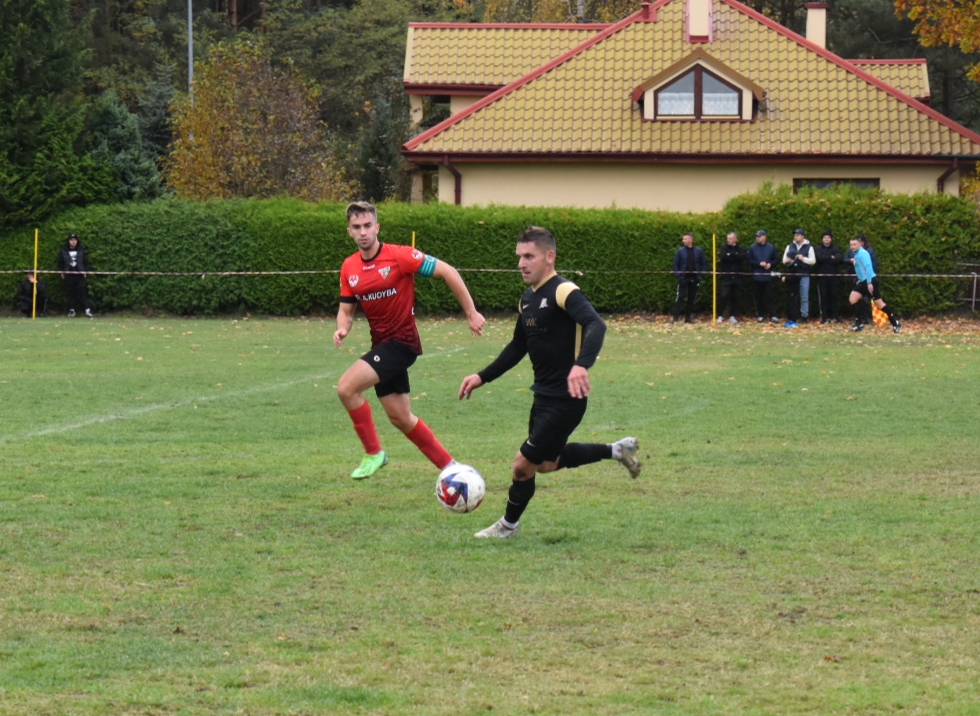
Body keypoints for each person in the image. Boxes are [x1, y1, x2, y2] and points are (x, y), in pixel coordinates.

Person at [458, 226, 641, 539]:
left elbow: (595, 324)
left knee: (521, 466)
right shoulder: (527, 299)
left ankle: (507, 526)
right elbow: (518, 346)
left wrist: (581, 365)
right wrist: (481, 376)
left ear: (549, 257)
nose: (521, 263)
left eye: (529, 256)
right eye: (519, 257)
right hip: (542, 396)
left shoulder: (563, 291)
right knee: (544, 464)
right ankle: (616, 450)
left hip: (567, 399)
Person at [335, 201, 486, 479]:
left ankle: (373, 453)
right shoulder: (349, 267)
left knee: (346, 388)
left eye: (368, 225)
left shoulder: (400, 256)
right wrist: (342, 328)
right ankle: (451, 468)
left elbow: (448, 271)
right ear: (349, 232)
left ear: (377, 227)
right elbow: (346, 310)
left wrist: (471, 312)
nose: (363, 232)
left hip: (402, 343)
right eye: (357, 227)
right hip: (381, 345)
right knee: (401, 417)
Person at [847, 235, 901, 333]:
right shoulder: (857, 254)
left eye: (854, 244)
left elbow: (868, 267)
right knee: (853, 299)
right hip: (863, 281)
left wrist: (869, 282)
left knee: (879, 304)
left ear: (860, 244)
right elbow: (860, 269)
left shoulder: (863, 254)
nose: (852, 246)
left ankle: (895, 322)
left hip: (870, 281)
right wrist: (860, 279)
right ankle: (858, 324)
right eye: (851, 245)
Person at [670, 233, 708, 323]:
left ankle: (688, 318)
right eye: (683, 239)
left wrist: (700, 275)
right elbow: (675, 264)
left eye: (685, 239)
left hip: (695, 278)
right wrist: (679, 275)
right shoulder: (680, 251)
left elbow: (704, 263)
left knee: (691, 298)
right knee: (680, 297)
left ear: (691, 240)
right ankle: (675, 318)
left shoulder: (699, 251)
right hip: (683, 278)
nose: (683, 241)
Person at [781, 228, 815, 327]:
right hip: (792, 275)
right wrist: (791, 260)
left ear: (803, 236)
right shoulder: (789, 246)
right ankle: (792, 317)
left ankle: (804, 316)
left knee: (804, 296)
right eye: (795, 235)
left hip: (804, 274)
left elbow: (813, 261)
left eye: (798, 235)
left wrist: (803, 258)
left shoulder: (809, 247)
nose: (796, 236)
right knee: (792, 297)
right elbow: (784, 260)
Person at [57, 233, 95, 317]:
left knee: (82, 293)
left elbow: (85, 262)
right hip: (68, 275)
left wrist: (85, 271)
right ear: (69, 241)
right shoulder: (64, 250)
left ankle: (87, 310)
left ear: (77, 241)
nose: (73, 242)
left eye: (75, 240)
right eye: (71, 240)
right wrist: (61, 272)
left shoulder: (81, 249)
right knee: (70, 293)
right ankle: (72, 310)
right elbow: (60, 262)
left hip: (80, 275)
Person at [745, 229, 779, 323]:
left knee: (769, 296)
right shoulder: (752, 248)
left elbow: (776, 259)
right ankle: (760, 315)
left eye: (759, 236)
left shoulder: (771, 247)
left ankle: (772, 315)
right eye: (757, 236)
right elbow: (749, 260)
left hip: (768, 276)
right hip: (757, 276)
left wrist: (770, 264)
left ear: (764, 237)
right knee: (758, 297)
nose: (757, 238)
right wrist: (759, 263)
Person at [716, 231, 745, 324]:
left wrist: (732, 255)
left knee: (736, 297)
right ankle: (720, 315)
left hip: (737, 277)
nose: (729, 240)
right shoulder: (724, 248)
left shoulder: (740, 248)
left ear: (736, 239)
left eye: (731, 238)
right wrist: (734, 256)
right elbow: (724, 257)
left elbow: (742, 257)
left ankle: (733, 315)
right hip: (726, 277)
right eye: (728, 238)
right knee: (723, 296)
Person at [813, 230, 842, 323]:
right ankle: (824, 317)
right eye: (825, 237)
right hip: (821, 277)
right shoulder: (818, 248)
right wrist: (830, 257)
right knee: (823, 297)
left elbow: (838, 259)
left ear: (831, 239)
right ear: (822, 239)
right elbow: (819, 259)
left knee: (834, 297)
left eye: (828, 237)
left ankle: (836, 317)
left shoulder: (835, 248)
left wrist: (826, 258)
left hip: (833, 277)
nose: (826, 239)